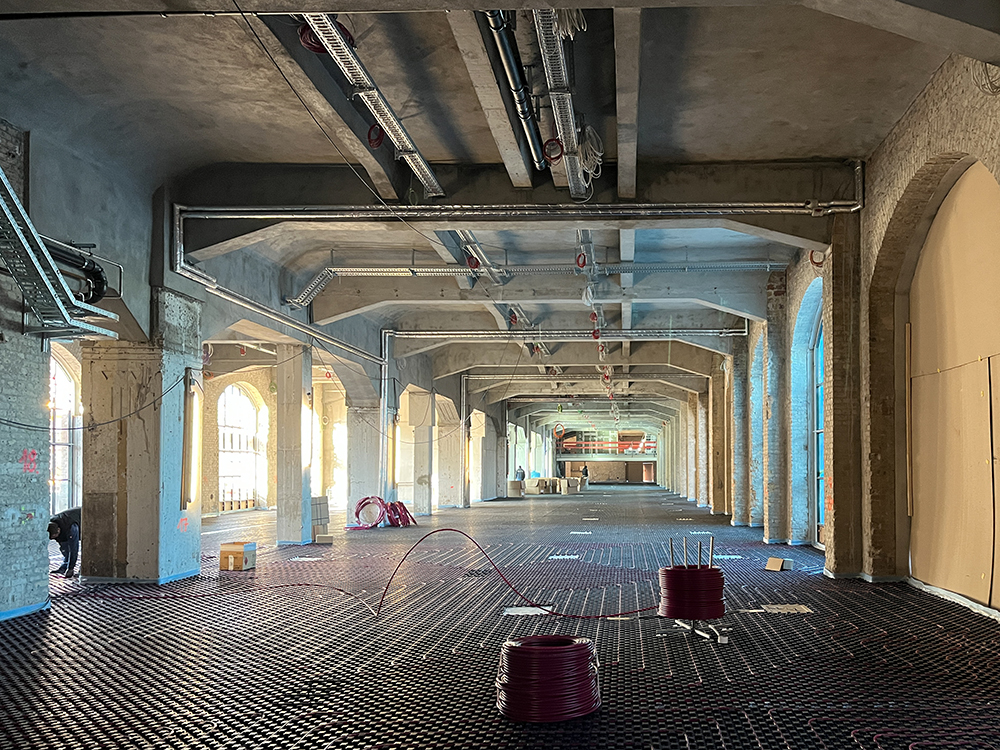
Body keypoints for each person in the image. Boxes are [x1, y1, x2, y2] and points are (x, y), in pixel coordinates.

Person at [48, 507, 81, 578]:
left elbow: (74, 549)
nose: (55, 540)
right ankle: (64, 567)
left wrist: (71, 569)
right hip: (68, 522)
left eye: (55, 536)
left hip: (85, 519)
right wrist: (64, 568)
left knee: (87, 547)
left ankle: (83, 570)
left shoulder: (71, 528)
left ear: (59, 530)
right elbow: (64, 547)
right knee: (65, 547)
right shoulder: (51, 523)